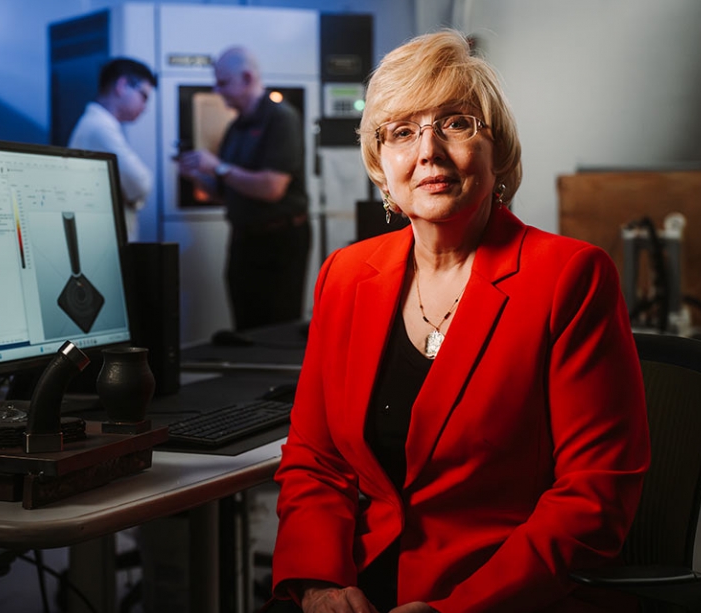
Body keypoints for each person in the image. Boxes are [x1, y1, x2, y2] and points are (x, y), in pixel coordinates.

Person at [264, 30, 650, 613]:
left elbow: (593, 495)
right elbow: (316, 460)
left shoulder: (569, 278)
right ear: (380, 165)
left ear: (499, 152)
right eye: (401, 132)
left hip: (502, 594)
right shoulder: (346, 275)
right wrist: (317, 583)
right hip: (354, 586)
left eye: (456, 124)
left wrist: (460, 611)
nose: (428, 151)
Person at [178, 46, 310, 332]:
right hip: (244, 242)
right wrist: (197, 176)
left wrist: (217, 167)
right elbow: (225, 192)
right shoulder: (235, 128)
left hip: (279, 243)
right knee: (245, 327)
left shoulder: (281, 118)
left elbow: (272, 188)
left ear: (248, 77)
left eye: (223, 82)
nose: (217, 89)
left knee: (276, 331)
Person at [68, 57, 156, 241]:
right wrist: (134, 197)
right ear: (122, 85)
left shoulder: (99, 125)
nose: (145, 107)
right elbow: (141, 184)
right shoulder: (99, 128)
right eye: (144, 96)